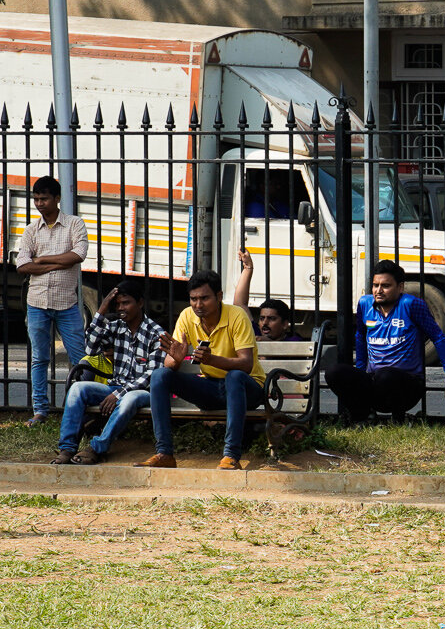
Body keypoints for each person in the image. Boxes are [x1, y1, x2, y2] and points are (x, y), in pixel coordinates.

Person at [145, 268, 267, 469]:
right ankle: (164, 453)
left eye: (204, 298)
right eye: (193, 299)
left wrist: (212, 360)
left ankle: (231, 456)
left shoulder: (237, 316)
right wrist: (175, 360)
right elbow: (170, 363)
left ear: (219, 296)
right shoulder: (186, 316)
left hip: (248, 389)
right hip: (212, 388)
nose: (198, 305)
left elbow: (246, 364)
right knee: (160, 375)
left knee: (235, 376)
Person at [328, 261, 445, 423]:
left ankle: (398, 419)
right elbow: (360, 338)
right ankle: (362, 418)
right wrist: (360, 373)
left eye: (385, 286)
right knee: (334, 372)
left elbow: (439, 338)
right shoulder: (365, 304)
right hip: (375, 382)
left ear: (400, 287)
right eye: (375, 285)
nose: (378, 291)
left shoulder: (412, 305)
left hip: (407, 385)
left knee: (386, 375)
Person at [53, 279, 164, 466]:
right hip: (114, 388)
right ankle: (67, 448)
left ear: (140, 303)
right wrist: (101, 310)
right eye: (118, 304)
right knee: (78, 388)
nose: (121, 308)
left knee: (130, 398)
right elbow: (89, 349)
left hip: (142, 392)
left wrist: (117, 394)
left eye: (126, 303)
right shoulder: (116, 327)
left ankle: (97, 448)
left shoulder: (156, 334)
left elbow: (150, 377)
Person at [14, 175, 88, 425]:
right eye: (36, 199)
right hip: (37, 303)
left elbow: (78, 255)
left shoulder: (74, 224)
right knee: (39, 358)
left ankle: (77, 407)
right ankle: (40, 411)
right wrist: (57, 262)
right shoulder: (31, 230)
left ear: (57, 199)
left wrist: (42, 260)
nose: (39, 203)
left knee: (79, 357)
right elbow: (22, 264)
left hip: (67, 303)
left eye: (44, 198)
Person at [231, 247, 305, 343]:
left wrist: (270, 345)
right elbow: (239, 305)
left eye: (272, 319)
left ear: (285, 324)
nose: (265, 323)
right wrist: (248, 267)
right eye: (262, 318)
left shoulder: (294, 341)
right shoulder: (257, 334)